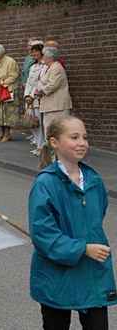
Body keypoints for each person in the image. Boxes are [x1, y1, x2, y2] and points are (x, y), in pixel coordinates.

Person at [29, 116, 116, 330]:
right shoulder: (45, 184)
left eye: (85, 137)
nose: (82, 143)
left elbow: (97, 218)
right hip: (57, 274)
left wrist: (90, 248)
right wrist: (82, 248)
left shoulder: (94, 180)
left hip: (91, 271)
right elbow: (43, 234)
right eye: (74, 137)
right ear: (54, 142)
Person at [36, 46, 73, 137]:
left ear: (50, 57)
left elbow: (52, 85)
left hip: (57, 106)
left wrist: (40, 91)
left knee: (57, 131)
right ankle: (50, 150)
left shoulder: (57, 68)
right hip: (51, 105)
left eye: (44, 55)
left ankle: (56, 150)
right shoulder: (50, 67)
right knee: (49, 130)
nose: (42, 57)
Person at [0, 44, 19, 142]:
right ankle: (1, 133)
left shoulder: (11, 61)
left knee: (7, 112)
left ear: (1, 54)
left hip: (7, 89)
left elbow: (14, 75)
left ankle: (7, 134)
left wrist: (2, 82)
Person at [23, 43, 47, 156]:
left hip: (38, 98)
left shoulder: (45, 66)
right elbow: (29, 82)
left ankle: (42, 146)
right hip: (29, 99)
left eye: (35, 51)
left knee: (39, 123)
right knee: (32, 123)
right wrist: (27, 95)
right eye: (32, 52)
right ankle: (38, 145)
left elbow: (41, 83)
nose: (33, 54)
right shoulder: (33, 66)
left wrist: (32, 96)